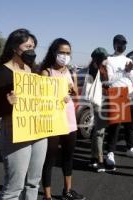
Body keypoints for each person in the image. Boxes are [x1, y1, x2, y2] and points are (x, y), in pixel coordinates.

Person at [0, 29, 47, 200]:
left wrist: (60, 99)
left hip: (38, 132)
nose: (32, 50)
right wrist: (8, 104)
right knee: (14, 188)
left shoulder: (32, 70)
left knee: (33, 183)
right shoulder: (1, 75)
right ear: (14, 47)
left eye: (34, 46)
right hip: (15, 133)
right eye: (28, 46)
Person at [40, 38, 85, 200]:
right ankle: (47, 195)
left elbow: (76, 97)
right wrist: (58, 97)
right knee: (49, 159)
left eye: (68, 53)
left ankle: (67, 191)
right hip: (52, 121)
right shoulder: (46, 72)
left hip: (70, 121)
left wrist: (73, 91)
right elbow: (40, 100)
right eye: (62, 52)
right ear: (54, 53)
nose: (65, 56)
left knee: (68, 156)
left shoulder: (69, 72)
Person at [105, 34, 133, 171]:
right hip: (117, 93)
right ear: (114, 44)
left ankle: (130, 147)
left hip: (130, 93)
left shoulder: (128, 59)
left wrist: (130, 71)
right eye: (120, 43)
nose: (122, 46)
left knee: (130, 125)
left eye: (124, 43)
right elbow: (108, 80)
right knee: (115, 126)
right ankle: (110, 153)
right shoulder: (108, 60)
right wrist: (124, 72)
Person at [86, 47, 109, 173]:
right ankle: (100, 160)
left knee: (98, 131)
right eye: (104, 57)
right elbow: (94, 85)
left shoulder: (101, 67)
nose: (106, 59)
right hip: (99, 102)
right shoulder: (95, 69)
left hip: (104, 101)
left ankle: (93, 157)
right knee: (100, 131)